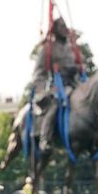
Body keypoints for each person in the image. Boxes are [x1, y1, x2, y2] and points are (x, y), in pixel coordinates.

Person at [30, 17, 83, 152]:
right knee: (55, 105)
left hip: (74, 84)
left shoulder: (72, 48)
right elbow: (38, 73)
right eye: (61, 26)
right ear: (55, 29)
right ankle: (44, 138)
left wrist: (78, 69)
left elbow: (81, 65)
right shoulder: (48, 49)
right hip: (57, 86)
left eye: (65, 26)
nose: (64, 29)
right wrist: (42, 90)